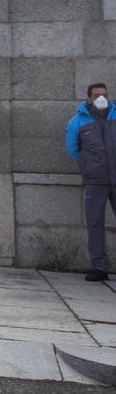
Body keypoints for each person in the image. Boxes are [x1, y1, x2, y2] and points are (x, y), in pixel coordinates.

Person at [66, 83, 115, 282]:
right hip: (96, 181)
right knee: (95, 223)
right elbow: (72, 147)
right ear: (88, 99)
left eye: (104, 94)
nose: (101, 98)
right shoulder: (78, 121)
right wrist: (88, 166)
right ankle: (99, 267)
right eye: (97, 95)